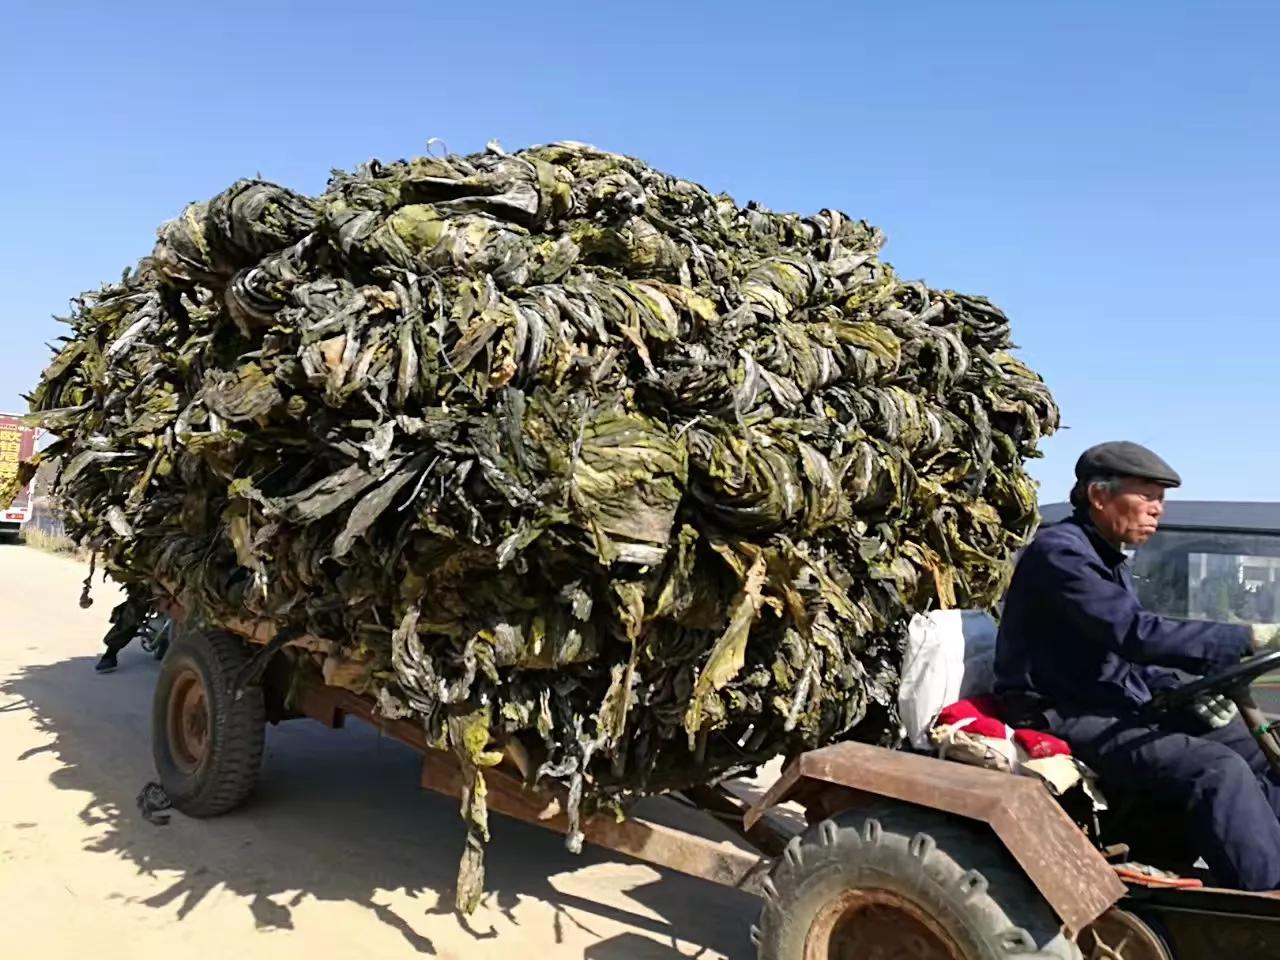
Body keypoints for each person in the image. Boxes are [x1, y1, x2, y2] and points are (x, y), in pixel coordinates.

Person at [996, 440, 1280, 891]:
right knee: (1217, 769)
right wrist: (1243, 636)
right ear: (1099, 496)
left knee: (1255, 747)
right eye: (1147, 496)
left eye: (1161, 500)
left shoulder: (1108, 559)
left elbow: (1121, 657)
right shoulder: (1060, 554)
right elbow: (1132, 632)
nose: (1157, 510)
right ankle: (1263, 905)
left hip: (1108, 700)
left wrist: (1189, 689)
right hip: (1061, 712)